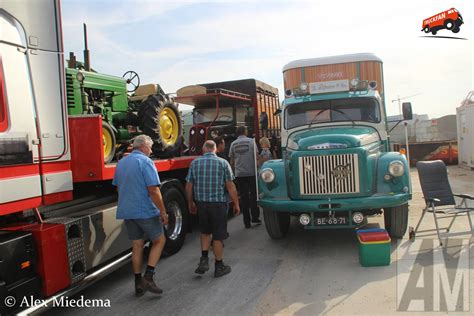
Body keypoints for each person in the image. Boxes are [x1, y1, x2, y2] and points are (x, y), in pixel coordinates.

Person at [112, 135, 169, 297]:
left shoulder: (121, 163)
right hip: (144, 211)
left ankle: (138, 283)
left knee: (137, 245)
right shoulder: (145, 162)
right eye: (150, 148)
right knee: (159, 240)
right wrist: (163, 211)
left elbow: (118, 188)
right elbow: (153, 190)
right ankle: (149, 277)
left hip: (127, 211)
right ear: (144, 147)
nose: (151, 151)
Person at [185, 140, 240, 278]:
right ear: (215, 150)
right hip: (218, 205)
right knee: (218, 236)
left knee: (204, 232)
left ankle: (204, 259)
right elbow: (230, 186)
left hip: (202, 204)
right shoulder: (223, 163)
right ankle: (219, 266)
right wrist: (236, 203)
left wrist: (190, 202)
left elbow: (189, 186)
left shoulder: (195, 163)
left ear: (204, 150)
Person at [229, 126, 260, 228]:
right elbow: (256, 157)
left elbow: (232, 161)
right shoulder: (251, 141)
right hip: (251, 173)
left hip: (240, 174)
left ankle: (246, 222)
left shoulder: (233, 144)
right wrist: (258, 168)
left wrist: (233, 172)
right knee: (253, 196)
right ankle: (255, 218)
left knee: (244, 197)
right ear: (245, 132)